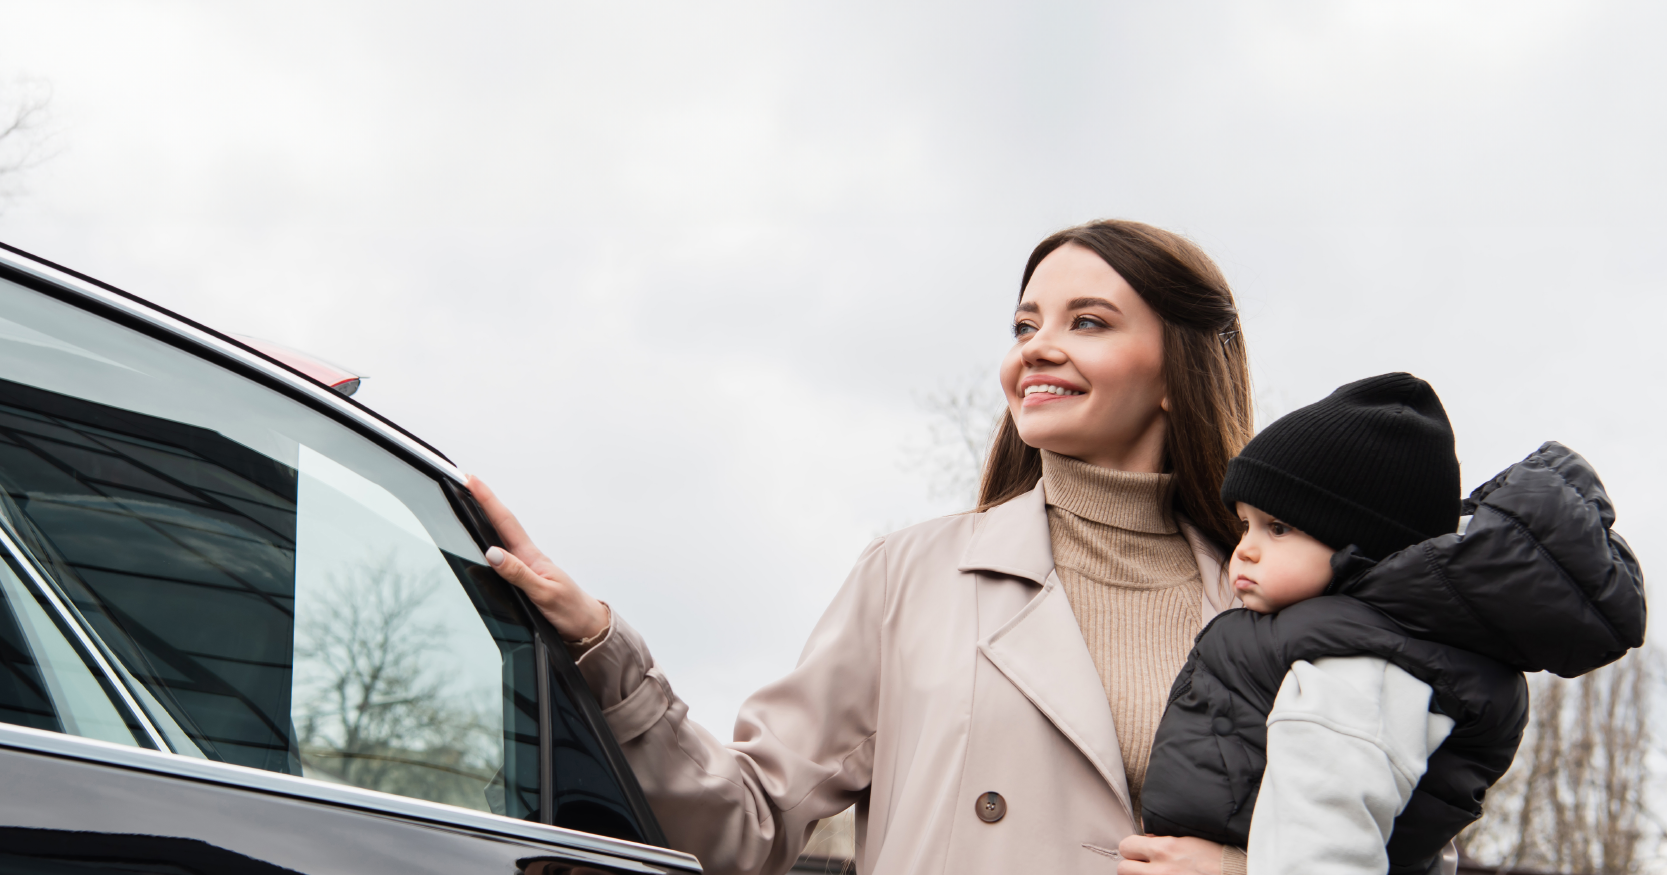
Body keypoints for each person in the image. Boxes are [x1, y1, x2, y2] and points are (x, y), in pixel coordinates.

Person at [469, 219, 1258, 875]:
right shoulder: (911, 578)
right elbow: (745, 820)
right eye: (1024, 325)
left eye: (1086, 321)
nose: (1035, 349)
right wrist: (602, 647)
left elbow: (1355, 832)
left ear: (1172, 371)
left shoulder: (1266, 606)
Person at [1137, 374, 1646, 875]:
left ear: (1360, 548)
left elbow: (1328, 846)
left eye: (1279, 528)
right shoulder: (1351, 637)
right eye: (1245, 523)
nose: (1245, 547)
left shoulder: (1361, 668)